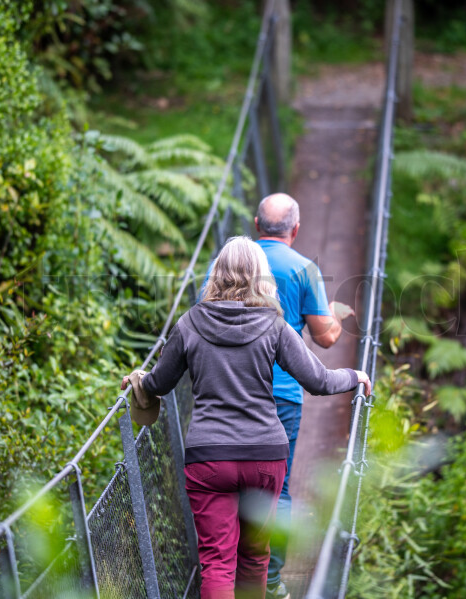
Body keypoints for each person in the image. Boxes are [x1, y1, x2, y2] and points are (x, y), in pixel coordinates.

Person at [123, 236, 370, 599]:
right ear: (261, 277)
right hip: (264, 456)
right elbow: (318, 381)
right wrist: (355, 376)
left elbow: (160, 383)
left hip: (209, 458)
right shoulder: (275, 325)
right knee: (254, 558)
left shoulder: (190, 323)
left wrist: (139, 380)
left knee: (217, 563)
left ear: (217, 274)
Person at [253, 193, 355, 599]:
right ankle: (272, 583)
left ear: (256, 225)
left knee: (230, 488)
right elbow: (326, 338)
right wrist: (335, 312)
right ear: (295, 230)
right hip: (282, 392)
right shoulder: (303, 268)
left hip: (224, 390)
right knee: (276, 490)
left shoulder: (225, 265)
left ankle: (231, 581)